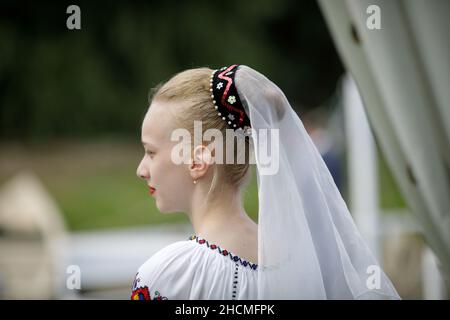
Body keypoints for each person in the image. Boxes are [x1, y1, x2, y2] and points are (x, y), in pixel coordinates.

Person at [132, 64, 400, 300]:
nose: (141, 170)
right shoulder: (303, 269)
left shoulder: (171, 275)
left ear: (198, 160)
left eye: (151, 152)